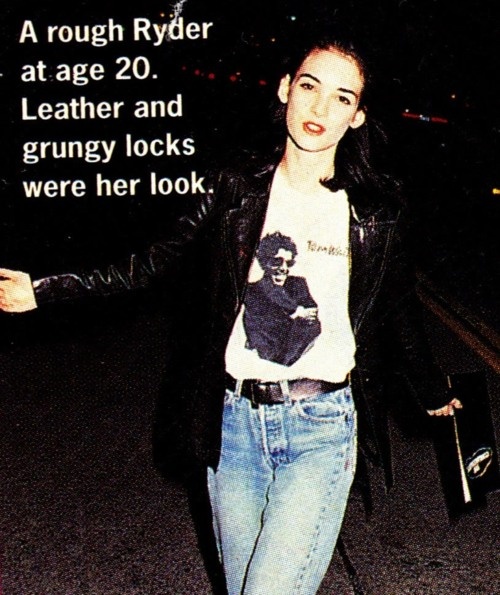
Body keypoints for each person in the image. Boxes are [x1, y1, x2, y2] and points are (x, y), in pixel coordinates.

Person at [0, 32, 461, 595]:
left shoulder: (374, 213)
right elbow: (151, 263)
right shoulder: (236, 191)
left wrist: (431, 389)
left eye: (342, 97)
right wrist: (45, 290)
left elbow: (399, 312)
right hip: (234, 428)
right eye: (310, 87)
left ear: (358, 116)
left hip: (321, 428)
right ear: (285, 89)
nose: (320, 108)